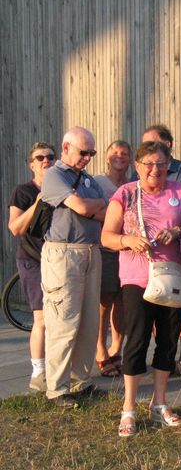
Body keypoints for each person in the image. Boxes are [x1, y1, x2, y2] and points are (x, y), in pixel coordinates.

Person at [102, 141, 181, 437]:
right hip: (137, 279)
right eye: (149, 164)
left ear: (169, 165)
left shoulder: (179, 192)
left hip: (173, 278)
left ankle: (159, 403)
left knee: (168, 341)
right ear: (137, 166)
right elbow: (107, 237)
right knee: (137, 341)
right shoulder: (125, 194)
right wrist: (128, 241)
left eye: (161, 164)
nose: (155, 169)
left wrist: (176, 231)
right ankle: (128, 407)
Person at [41, 127, 108, 407]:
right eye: (84, 152)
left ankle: (81, 381)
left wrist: (94, 206)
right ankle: (57, 388)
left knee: (89, 323)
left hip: (91, 252)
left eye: (92, 153)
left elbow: (106, 211)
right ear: (66, 147)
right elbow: (81, 207)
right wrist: (96, 205)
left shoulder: (88, 179)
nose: (88, 158)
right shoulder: (54, 175)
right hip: (64, 254)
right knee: (63, 321)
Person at [140, 125, 181, 381]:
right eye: (145, 146)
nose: (151, 152)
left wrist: (177, 230)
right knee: (158, 300)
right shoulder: (139, 176)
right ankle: (165, 358)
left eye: (155, 144)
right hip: (147, 258)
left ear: (169, 145)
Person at [7, 142, 56, 392]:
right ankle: (38, 373)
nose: (46, 161)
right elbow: (15, 228)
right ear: (32, 164)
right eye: (40, 158)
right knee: (42, 319)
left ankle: (57, 368)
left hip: (58, 261)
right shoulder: (23, 191)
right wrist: (38, 203)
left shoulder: (61, 188)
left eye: (50, 157)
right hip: (32, 259)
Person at [93, 140, 131, 377]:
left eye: (124, 153)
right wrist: (114, 217)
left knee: (123, 301)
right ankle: (100, 350)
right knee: (104, 301)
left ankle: (116, 347)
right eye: (115, 153)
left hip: (128, 251)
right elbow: (91, 211)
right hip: (105, 249)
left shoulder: (132, 184)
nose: (119, 156)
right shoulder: (96, 183)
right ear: (107, 157)